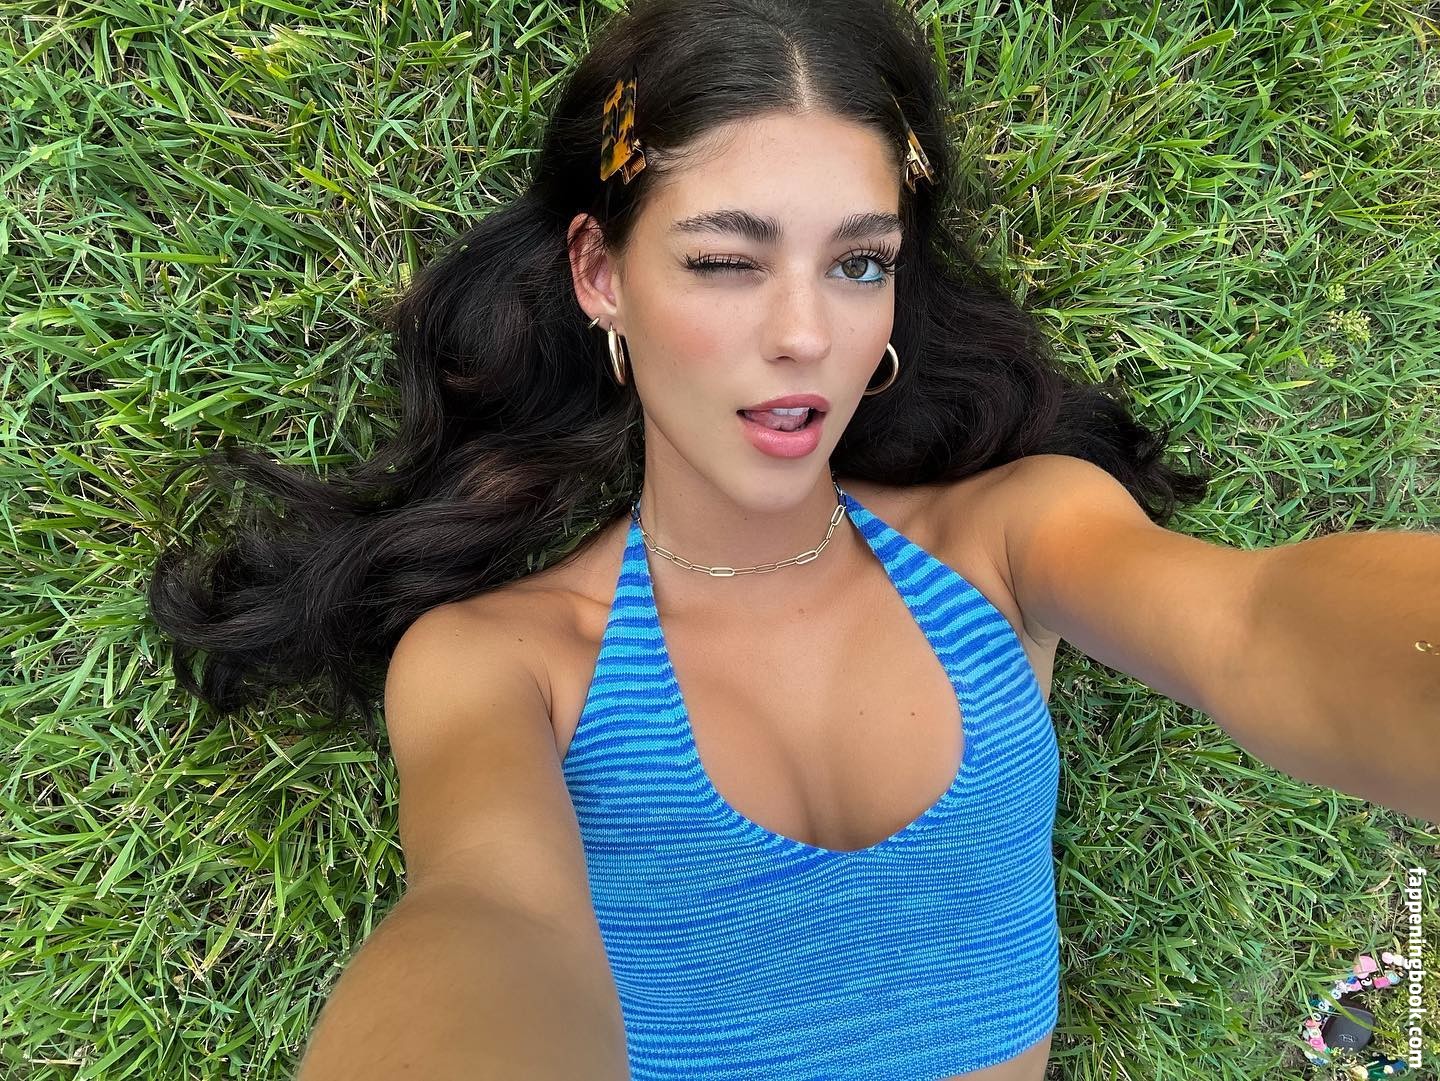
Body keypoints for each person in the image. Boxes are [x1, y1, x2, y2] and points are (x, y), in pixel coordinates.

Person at [144, 0, 1440, 1078]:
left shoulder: (1007, 539)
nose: (807, 334)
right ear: (601, 274)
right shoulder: (505, 664)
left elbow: (1252, 626)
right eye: (726, 261)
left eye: (859, 263)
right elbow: (487, 915)